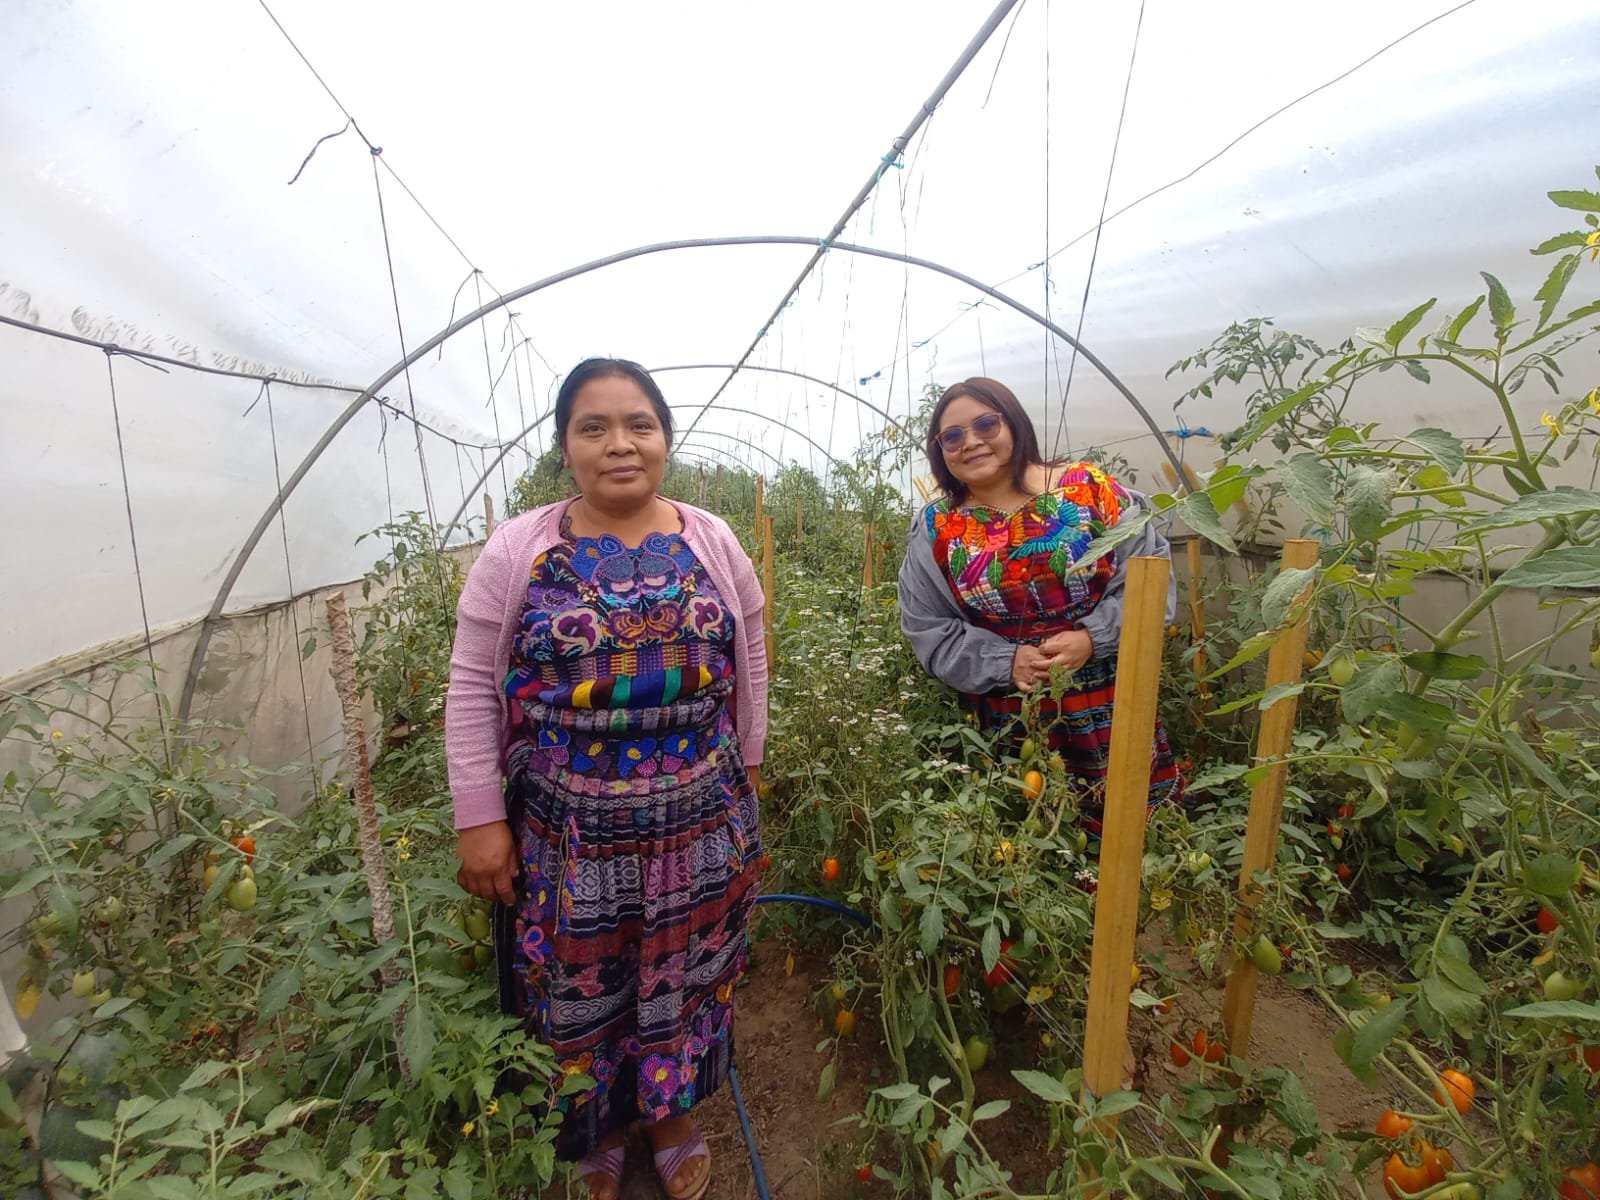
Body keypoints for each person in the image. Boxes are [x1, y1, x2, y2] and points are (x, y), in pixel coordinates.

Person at [445, 358, 767, 1200]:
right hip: (569, 824)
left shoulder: (710, 536)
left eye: (640, 425)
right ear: (565, 446)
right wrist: (481, 816)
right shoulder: (521, 547)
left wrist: (751, 766)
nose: (619, 444)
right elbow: (473, 678)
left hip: (699, 811)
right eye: (594, 427)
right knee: (580, 979)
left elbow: (750, 652)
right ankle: (593, 1126)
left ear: (665, 439)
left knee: (688, 969)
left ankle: (668, 1116)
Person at [898, 377, 1182, 831]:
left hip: (1110, 696)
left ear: (1013, 423)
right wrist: (1008, 661)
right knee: (1027, 843)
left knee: (1132, 834)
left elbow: (1149, 580)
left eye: (985, 424)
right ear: (940, 450)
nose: (970, 442)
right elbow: (927, 625)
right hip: (1011, 711)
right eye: (952, 436)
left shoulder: (1089, 491)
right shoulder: (938, 527)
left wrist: (1093, 638)